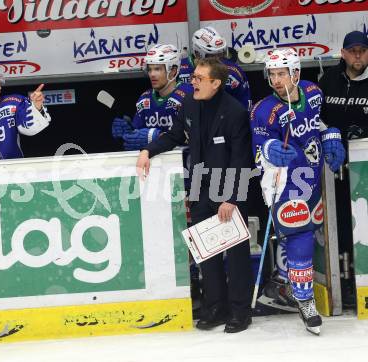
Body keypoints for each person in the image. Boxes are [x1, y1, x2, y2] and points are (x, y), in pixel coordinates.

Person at [136, 57, 253, 333]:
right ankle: (215, 308)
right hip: (200, 185)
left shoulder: (234, 111)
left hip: (229, 189)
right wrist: (147, 150)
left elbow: (242, 158)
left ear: (216, 82)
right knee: (206, 253)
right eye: (193, 77)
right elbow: (175, 135)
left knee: (235, 254)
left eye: (199, 78)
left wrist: (232, 198)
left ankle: (240, 311)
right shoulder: (189, 104)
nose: (193, 82)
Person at [250, 48, 346, 335]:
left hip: (312, 180)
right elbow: (256, 151)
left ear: (296, 73)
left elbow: (322, 121)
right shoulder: (263, 110)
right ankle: (305, 301)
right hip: (283, 185)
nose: (276, 80)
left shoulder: (313, 92)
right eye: (272, 74)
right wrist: (269, 152)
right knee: (300, 239)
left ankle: (292, 284)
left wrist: (331, 136)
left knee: (312, 234)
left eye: (282, 73)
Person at [319, 30, 368, 306]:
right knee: (340, 225)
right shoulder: (328, 80)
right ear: (344, 53)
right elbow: (316, 117)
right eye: (353, 50)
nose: (358, 55)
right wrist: (330, 133)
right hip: (335, 167)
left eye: (362, 50)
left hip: (365, 168)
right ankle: (345, 282)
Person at [112, 44, 193, 151]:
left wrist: (157, 136)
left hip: (185, 163)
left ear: (173, 71)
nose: (152, 74)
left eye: (157, 69)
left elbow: (196, 136)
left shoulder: (189, 95)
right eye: (150, 69)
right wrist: (128, 131)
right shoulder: (144, 99)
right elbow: (137, 137)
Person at [179, 26, 251, 111]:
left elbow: (245, 107)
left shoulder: (233, 73)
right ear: (198, 53)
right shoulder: (180, 69)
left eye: (220, 55)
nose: (218, 60)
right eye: (212, 56)